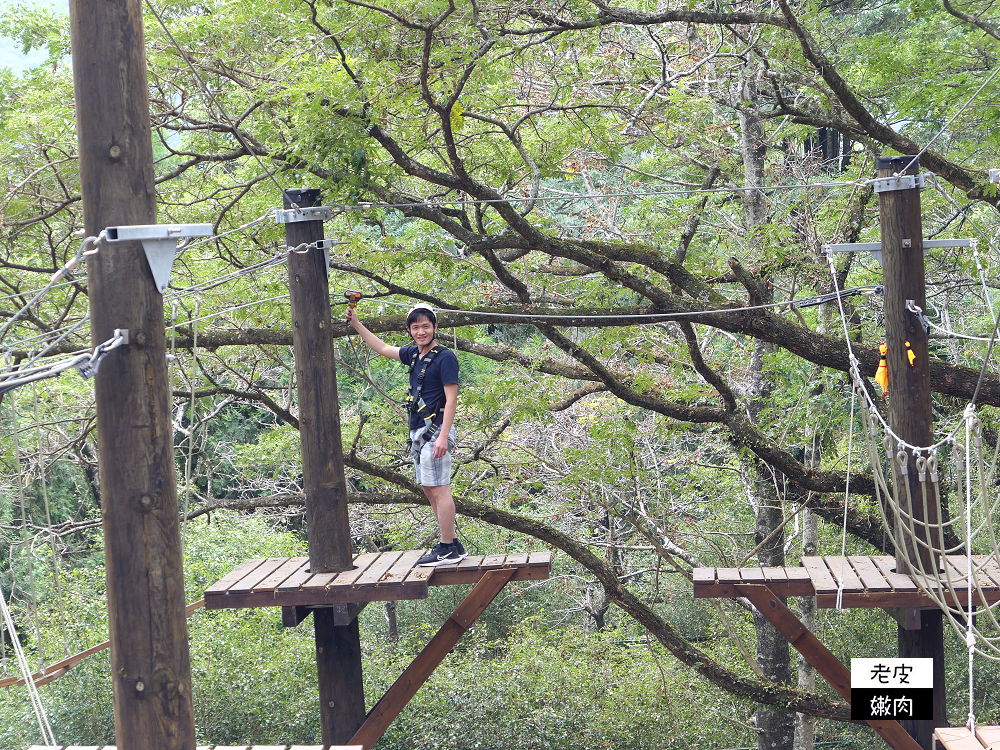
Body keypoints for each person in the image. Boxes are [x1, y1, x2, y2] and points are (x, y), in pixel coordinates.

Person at [346, 302, 467, 566]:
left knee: (441, 489)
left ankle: (446, 546)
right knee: (428, 489)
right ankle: (453, 544)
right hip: (418, 432)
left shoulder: (445, 357)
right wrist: (356, 324)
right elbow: (382, 347)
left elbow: (452, 399)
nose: (421, 331)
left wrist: (444, 436)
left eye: (426, 326)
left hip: (436, 430)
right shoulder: (414, 354)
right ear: (410, 331)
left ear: (435, 327)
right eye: (415, 327)